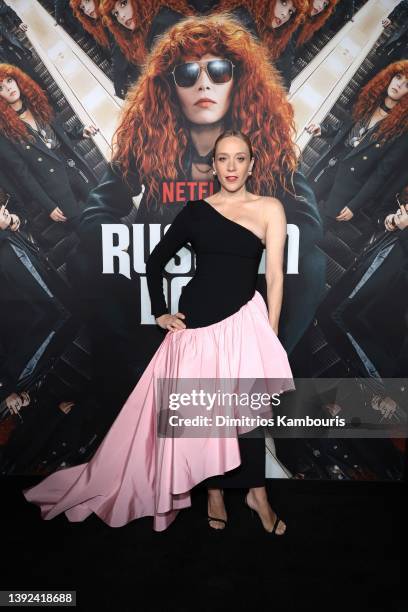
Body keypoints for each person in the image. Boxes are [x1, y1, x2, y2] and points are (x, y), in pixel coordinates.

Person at [23, 130, 295, 533]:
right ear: (214, 166)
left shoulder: (270, 208)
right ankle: (215, 493)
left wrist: (270, 333)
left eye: (240, 159)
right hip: (198, 324)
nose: (232, 167)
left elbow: (274, 276)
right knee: (205, 414)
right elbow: (155, 262)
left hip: (246, 321)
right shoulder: (197, 211)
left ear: (252, 164)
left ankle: (257, 494)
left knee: (250, 412)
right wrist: (161, 314)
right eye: (224, 159)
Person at [76, 13, 324, 361]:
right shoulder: (146, 145)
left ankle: (267, 365)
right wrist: (136, 246)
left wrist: (240, 242)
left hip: (236, 281)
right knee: (86, 263)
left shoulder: (259, 150)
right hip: (170, 276)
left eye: (219, 71)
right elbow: (95, 218)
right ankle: (133, 371)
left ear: (237, 82)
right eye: (188, 74)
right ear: (170, 87)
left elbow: (308, 226)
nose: (203, 85)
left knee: (312, 265)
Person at [305, 60, 408, 228]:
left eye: (406, 85)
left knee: (311, 232)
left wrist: (355, 205)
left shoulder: (401, 131)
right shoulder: (370, 100)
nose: (399, 84)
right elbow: (344, 128)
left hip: (345, 190)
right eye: (398, 77)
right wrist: (322, 129)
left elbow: (381, 174)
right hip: (328, 168)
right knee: (292, 212)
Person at [0, 64, 99, 228]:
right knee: (89, 231)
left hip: (73, 167)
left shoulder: (37, 103)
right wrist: (48, 205)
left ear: (17, 80)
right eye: (1, 87)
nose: (8, 88)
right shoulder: (5, 133)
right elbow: (23, 174)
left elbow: (61, 132)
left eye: (9, 80)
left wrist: (81, 132)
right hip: (55, 188)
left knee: (105, 212)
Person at [70, 0, 140, 99]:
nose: (86, 9)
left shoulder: (111, 21)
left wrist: (119, 91)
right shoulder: (101, 23)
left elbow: (118, 58)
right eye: (82, 7)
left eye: (87, 1)